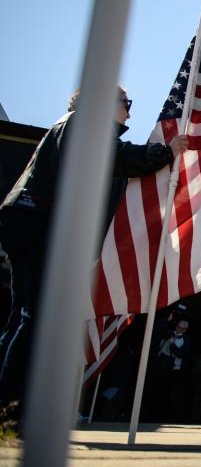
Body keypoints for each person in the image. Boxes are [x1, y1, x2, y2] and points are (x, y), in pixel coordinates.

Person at [0, 87, 186, 414]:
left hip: (25, 217)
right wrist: (166, 153)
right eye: (125, 105)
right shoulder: (87, 124)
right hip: (39, 222)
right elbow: (119, 156)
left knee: (23, 315)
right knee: (37, 315)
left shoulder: (70, 124)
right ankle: (11, 406)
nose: (129, 114)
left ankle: (9, 399)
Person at [149, 318, 191, 422]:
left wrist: (173, 345)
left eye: (182, 328)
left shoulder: (185, 340)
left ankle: (167, 416)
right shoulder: (167, 334)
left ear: (185, 330)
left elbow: (181, 354)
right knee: (156, 391)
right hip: (160, 366)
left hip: (173, 370)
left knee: (170, 393)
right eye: (178, 327)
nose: (179, 329)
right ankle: (153, 414)